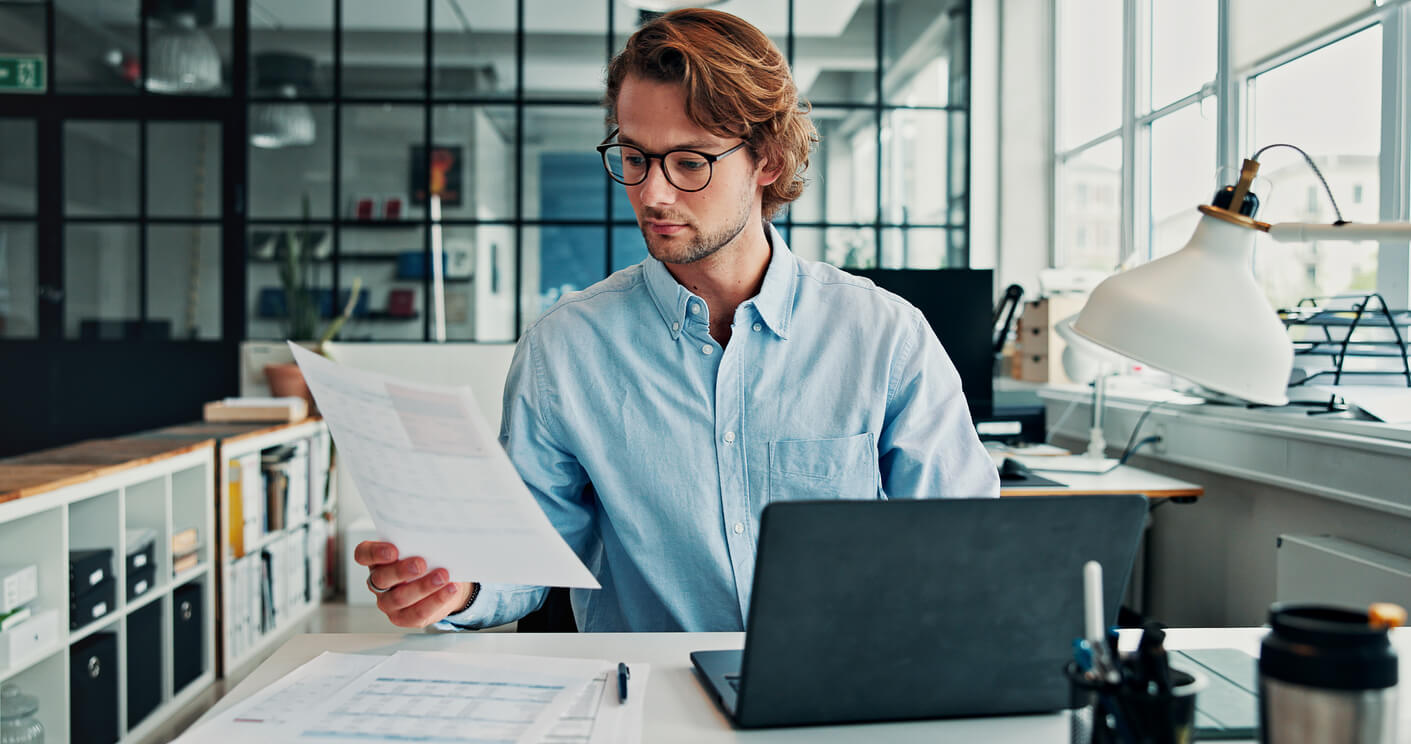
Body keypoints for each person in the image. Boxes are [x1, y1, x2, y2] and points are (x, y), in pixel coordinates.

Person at [355, 8, 999, 633]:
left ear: (768, 161)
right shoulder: (565, 349)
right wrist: (458, 587)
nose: (652, 194)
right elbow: (530, 552)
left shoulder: (884, 337)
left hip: (834, 686)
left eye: (690, 162)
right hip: (646, 694)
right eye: (634, 157)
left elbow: (966, 550)